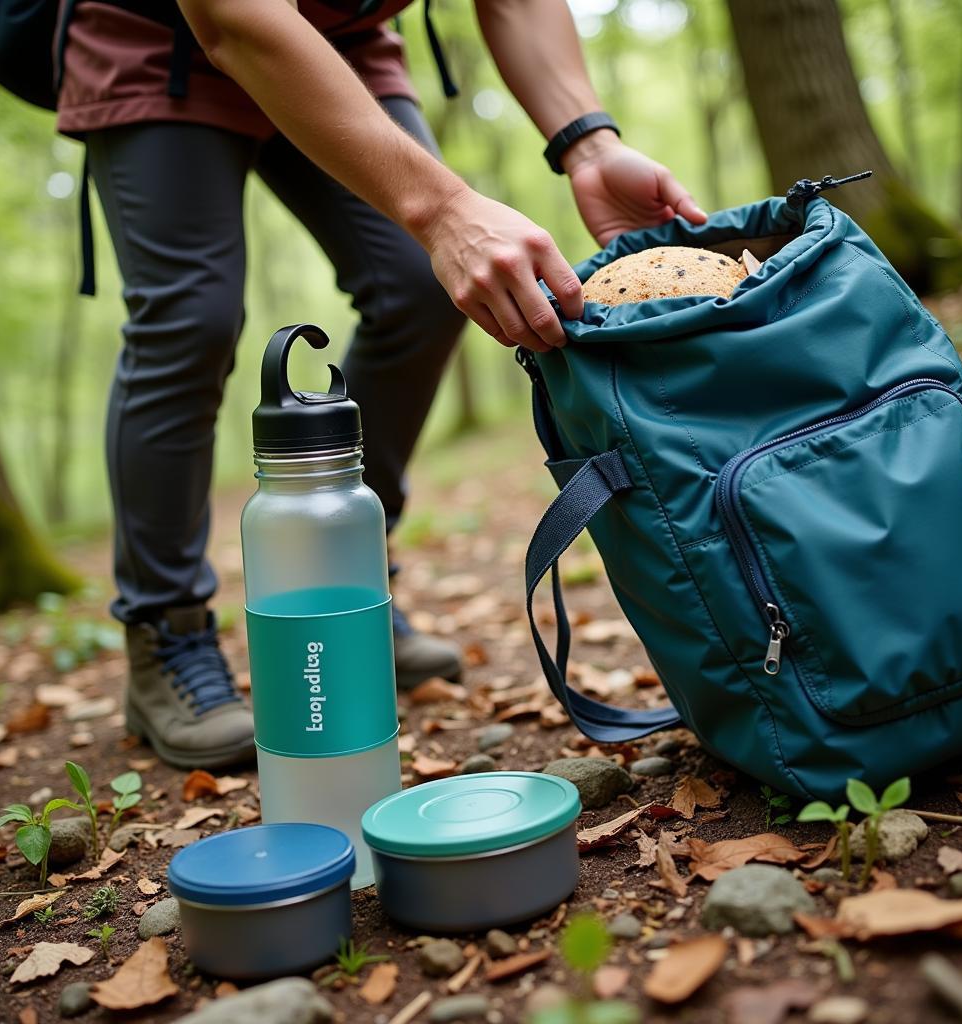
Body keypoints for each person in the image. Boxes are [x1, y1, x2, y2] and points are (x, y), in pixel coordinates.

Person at [55, 0, 706, 770]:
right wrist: (446, 210)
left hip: (344, 43)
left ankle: (346, 594)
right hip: (154, 42)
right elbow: (234, 22)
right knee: (189, 318)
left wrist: (587, 144)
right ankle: (165, 633)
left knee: (421, 287)